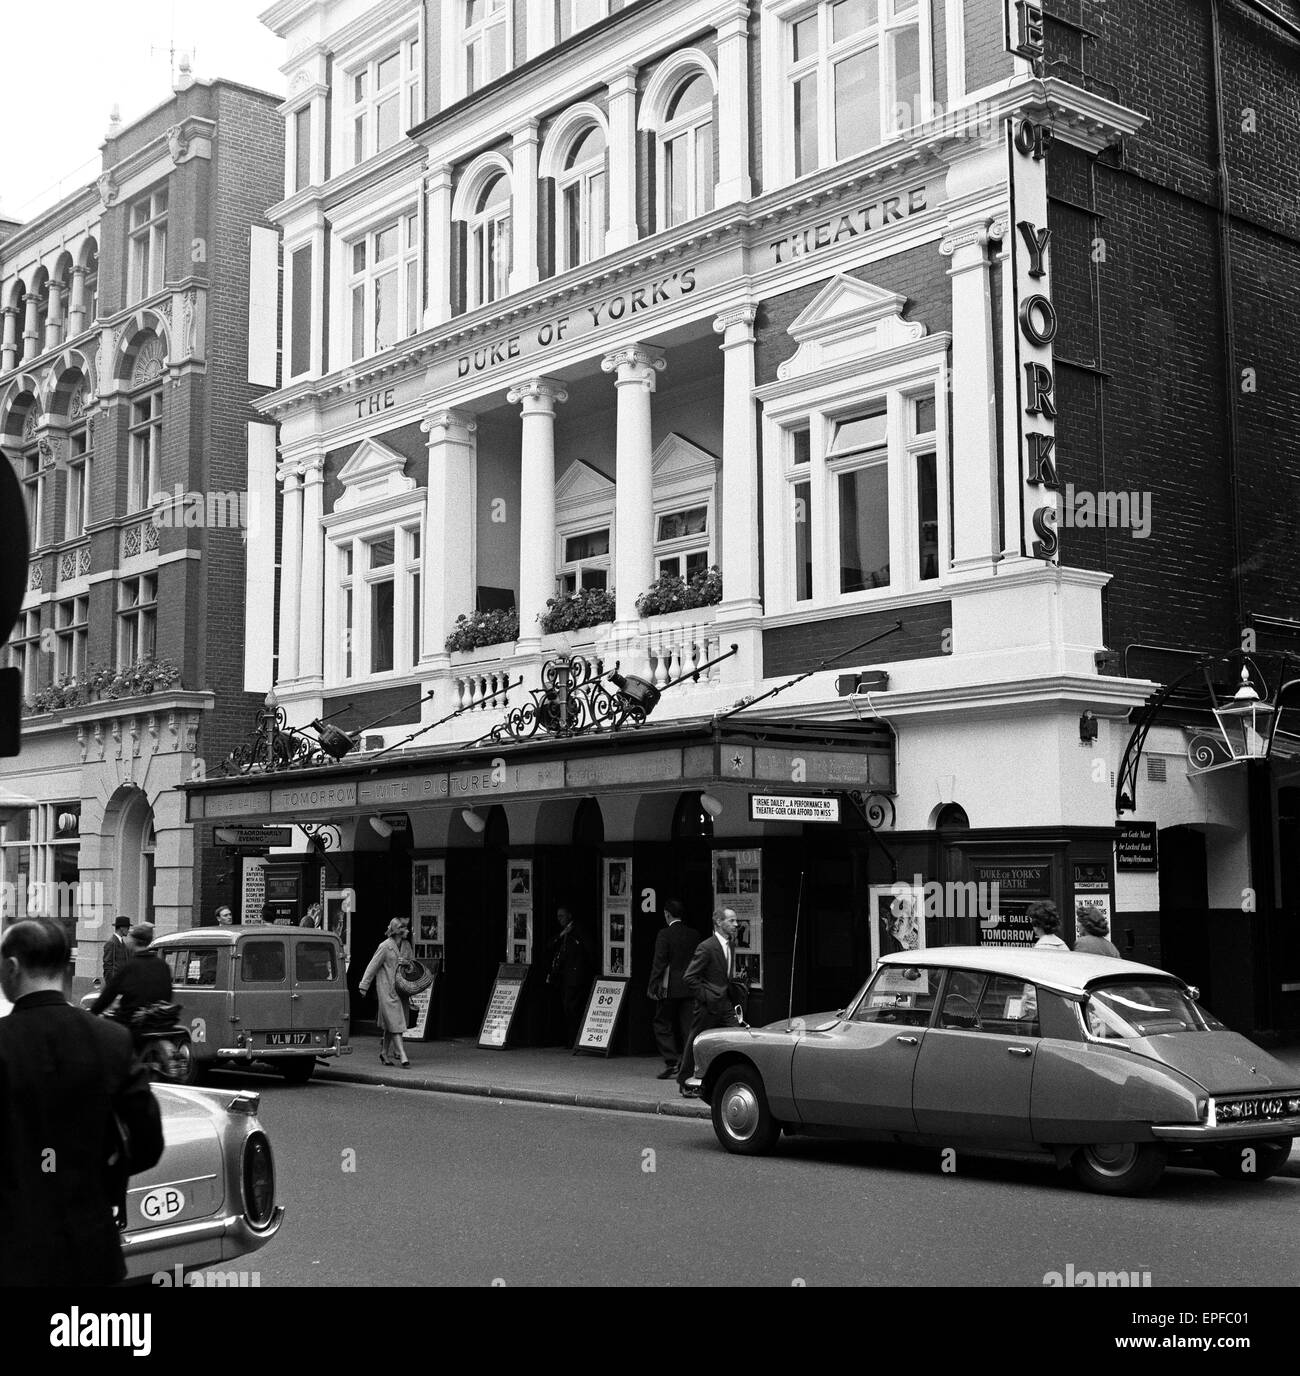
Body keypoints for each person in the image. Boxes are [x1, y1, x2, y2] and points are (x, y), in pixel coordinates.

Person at [0, 919, 164, 1287]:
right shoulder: (113, 1040)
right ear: (62, 969)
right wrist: (95, 1175)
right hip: (90, 1245)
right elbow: (148, 1143)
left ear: (11, 968)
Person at [677, 907, 743, 1098]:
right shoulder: (706, 947)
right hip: (708, 1005)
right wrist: (706, 996)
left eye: (735, 920)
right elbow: (689, 977)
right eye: (731, 921)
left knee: (737, 1038)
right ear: (719, 923)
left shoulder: (730, 945)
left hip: (725, 1004)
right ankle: (684, 1081)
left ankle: (734, 1080)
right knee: (696, 1041)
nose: (736, 924)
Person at [90, 923, 173, 1034]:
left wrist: (92, 1012)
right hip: (159, 1021)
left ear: (134, 941)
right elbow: (168, 994)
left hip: (132, 1023)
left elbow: (108, 995)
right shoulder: (163, 966)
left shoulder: (129, 967)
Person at [646, 899, 697, 1080]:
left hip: (669, 987)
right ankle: (687, 1062)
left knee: (662, 1023)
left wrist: (652, 984)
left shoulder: (664, 934)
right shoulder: (694, 934)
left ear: (667, 914)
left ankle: (671, 1060)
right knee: (688, 1026)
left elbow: (659, 962)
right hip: (690, 987)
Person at [359, 918, 410, 1067]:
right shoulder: (385, 946)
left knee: (391, 1024)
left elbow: (413, 964)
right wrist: (364, 985)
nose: (407, 930)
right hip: (386, 990)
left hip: (401, 991)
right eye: (405, 928)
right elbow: (372, 966)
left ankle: (384, 1053)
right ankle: (403, 1055)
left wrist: (407, 964)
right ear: (397, 931)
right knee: (396, 1023)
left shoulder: (406, 946)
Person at [546, 907, 595, 1048]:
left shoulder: (578, 930)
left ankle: (575, 1039)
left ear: (569, 915)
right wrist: (562, 934)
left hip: (576, 975)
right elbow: (549, 945)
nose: (559, 919)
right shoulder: (563, 933)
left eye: (562, 916)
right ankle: (569, 1039)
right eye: (557, 916)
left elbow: (589, 949)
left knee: (573, 1007)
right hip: (564, 976)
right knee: (566, 1007)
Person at [1021, 901, 1069, 1021]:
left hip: (1042, 1013)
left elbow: (1031, 990)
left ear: (1037, 925)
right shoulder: (1064, 947)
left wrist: (1029, 1013)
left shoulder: (1038, 951)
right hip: (1064, 1009)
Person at [102, 914, 133, 984]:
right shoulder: (111, 943)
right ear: (122, 928)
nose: (129, 930)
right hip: (115, 983)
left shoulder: (122, 942)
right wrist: (110, 985)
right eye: (127, 928)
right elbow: (108, 967)